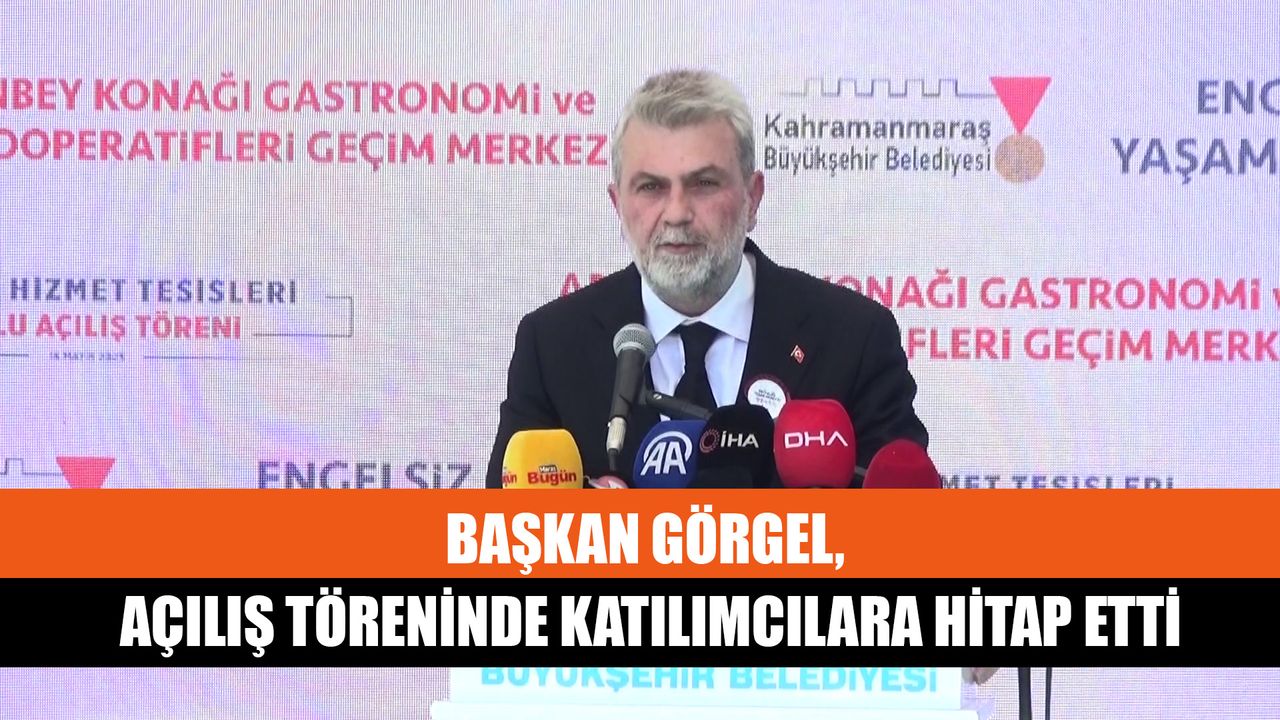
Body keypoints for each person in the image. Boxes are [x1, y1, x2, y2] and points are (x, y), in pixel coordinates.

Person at [485, 69, 927, 488]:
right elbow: (506, 531)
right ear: (618, 204)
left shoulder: (853, 338)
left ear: (753, 198)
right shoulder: (553, 345)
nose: (677, 213)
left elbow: (908, 527)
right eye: (651, 187)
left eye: (704, 184)